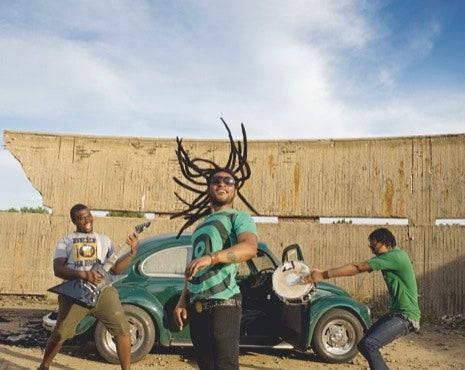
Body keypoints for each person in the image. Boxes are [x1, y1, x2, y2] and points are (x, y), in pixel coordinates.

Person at [171, 120, 259, 370]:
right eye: (216, 180)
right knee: (205, 366)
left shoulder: (238, 217)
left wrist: (212, 258)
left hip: (225, 304)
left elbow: (249, 248)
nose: (221, 183)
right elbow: (192, 268)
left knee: (225, 366)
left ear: (235, 189)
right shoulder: (199, 226)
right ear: (209, 188)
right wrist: (181, 301)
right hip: (196, 305)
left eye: (228, 181)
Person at [302, 227, 421, 370]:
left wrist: (324, 275)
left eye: (373, 244)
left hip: (406, 316)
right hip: (396, 313)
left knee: (369, 344)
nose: (371, 248)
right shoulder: (389, 258)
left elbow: (357, 268)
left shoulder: (395, 256)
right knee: (363, 343)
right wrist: (322, 272)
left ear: (385, 242)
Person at [38, 203, 139, 370]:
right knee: (61, 333)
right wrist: (84, 274)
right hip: (76, 293)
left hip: (103, 292)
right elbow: (58, 269)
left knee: (123, 331)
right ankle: (44, 366)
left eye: (88, 215)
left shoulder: (104, 240)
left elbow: (116, 268)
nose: (86, 220)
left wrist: (132, 252)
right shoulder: (66, 241)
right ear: (74, 221)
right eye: (81, 217)